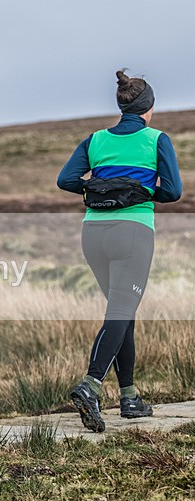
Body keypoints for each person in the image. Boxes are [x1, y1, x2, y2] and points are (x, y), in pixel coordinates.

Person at [57, 69, 182, 432]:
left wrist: (103, 188)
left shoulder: (94, 140)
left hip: (93, 234)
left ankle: (129, 397)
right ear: (149, 108)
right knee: (121, 311)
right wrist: (138, 191)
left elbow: (65, 180)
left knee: (121, 312)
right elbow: (172, 192)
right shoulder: (157, 139)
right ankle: (91, 384)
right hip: (133, 232)